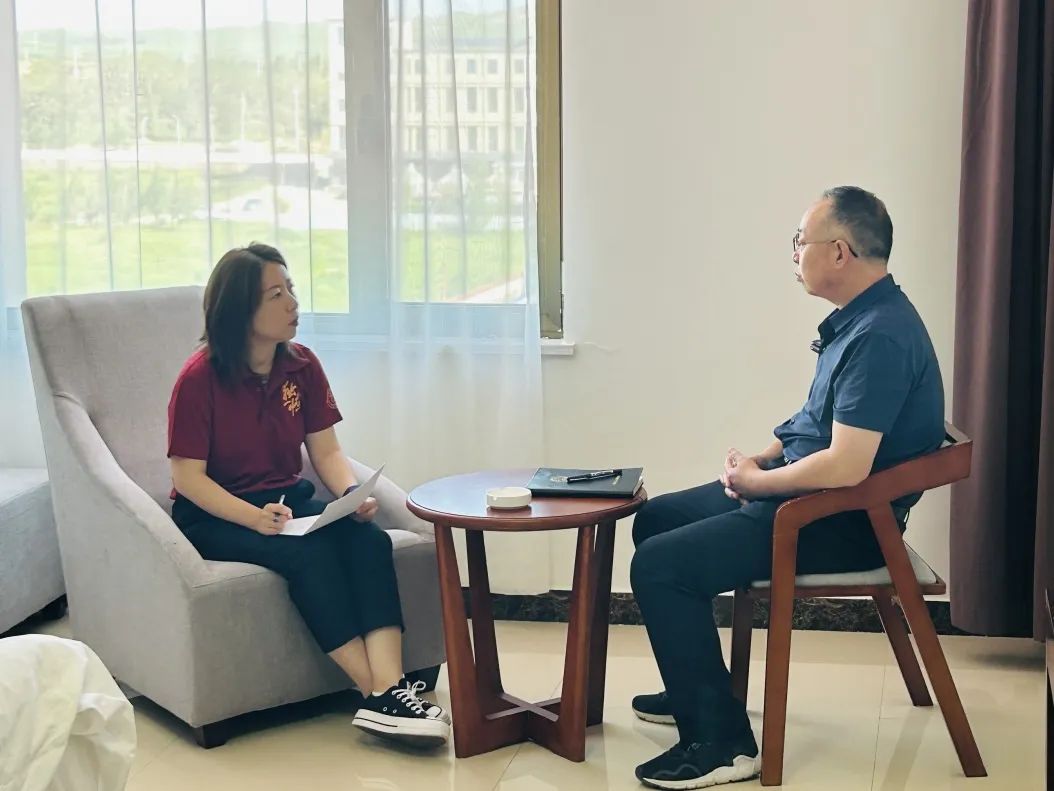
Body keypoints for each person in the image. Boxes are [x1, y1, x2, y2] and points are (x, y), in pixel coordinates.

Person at [629, 187, 945, 789]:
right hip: (811, 499)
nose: (795, 253)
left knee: (660, 566)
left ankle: (723, 745)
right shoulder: (860, 319)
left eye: (801, 241)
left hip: (839, 519)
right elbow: (815, 422)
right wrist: (762, 459)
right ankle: (696, 687)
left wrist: (760, 482)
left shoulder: (880, 335)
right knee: (656, 520)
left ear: (840, 252)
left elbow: (847, 465)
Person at [167, 243, 449, 747]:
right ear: (240, 311)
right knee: (309, 554)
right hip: (216, 516)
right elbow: (189, 478)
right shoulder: (198, 379)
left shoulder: (302, 365)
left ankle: (390, 689)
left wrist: (349, 494)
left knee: (370, 541)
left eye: (290, 289)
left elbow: (326, 450)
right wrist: (252, 518)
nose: (293, 304)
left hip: (286, 503)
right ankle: (375, 692)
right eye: (275, 295)